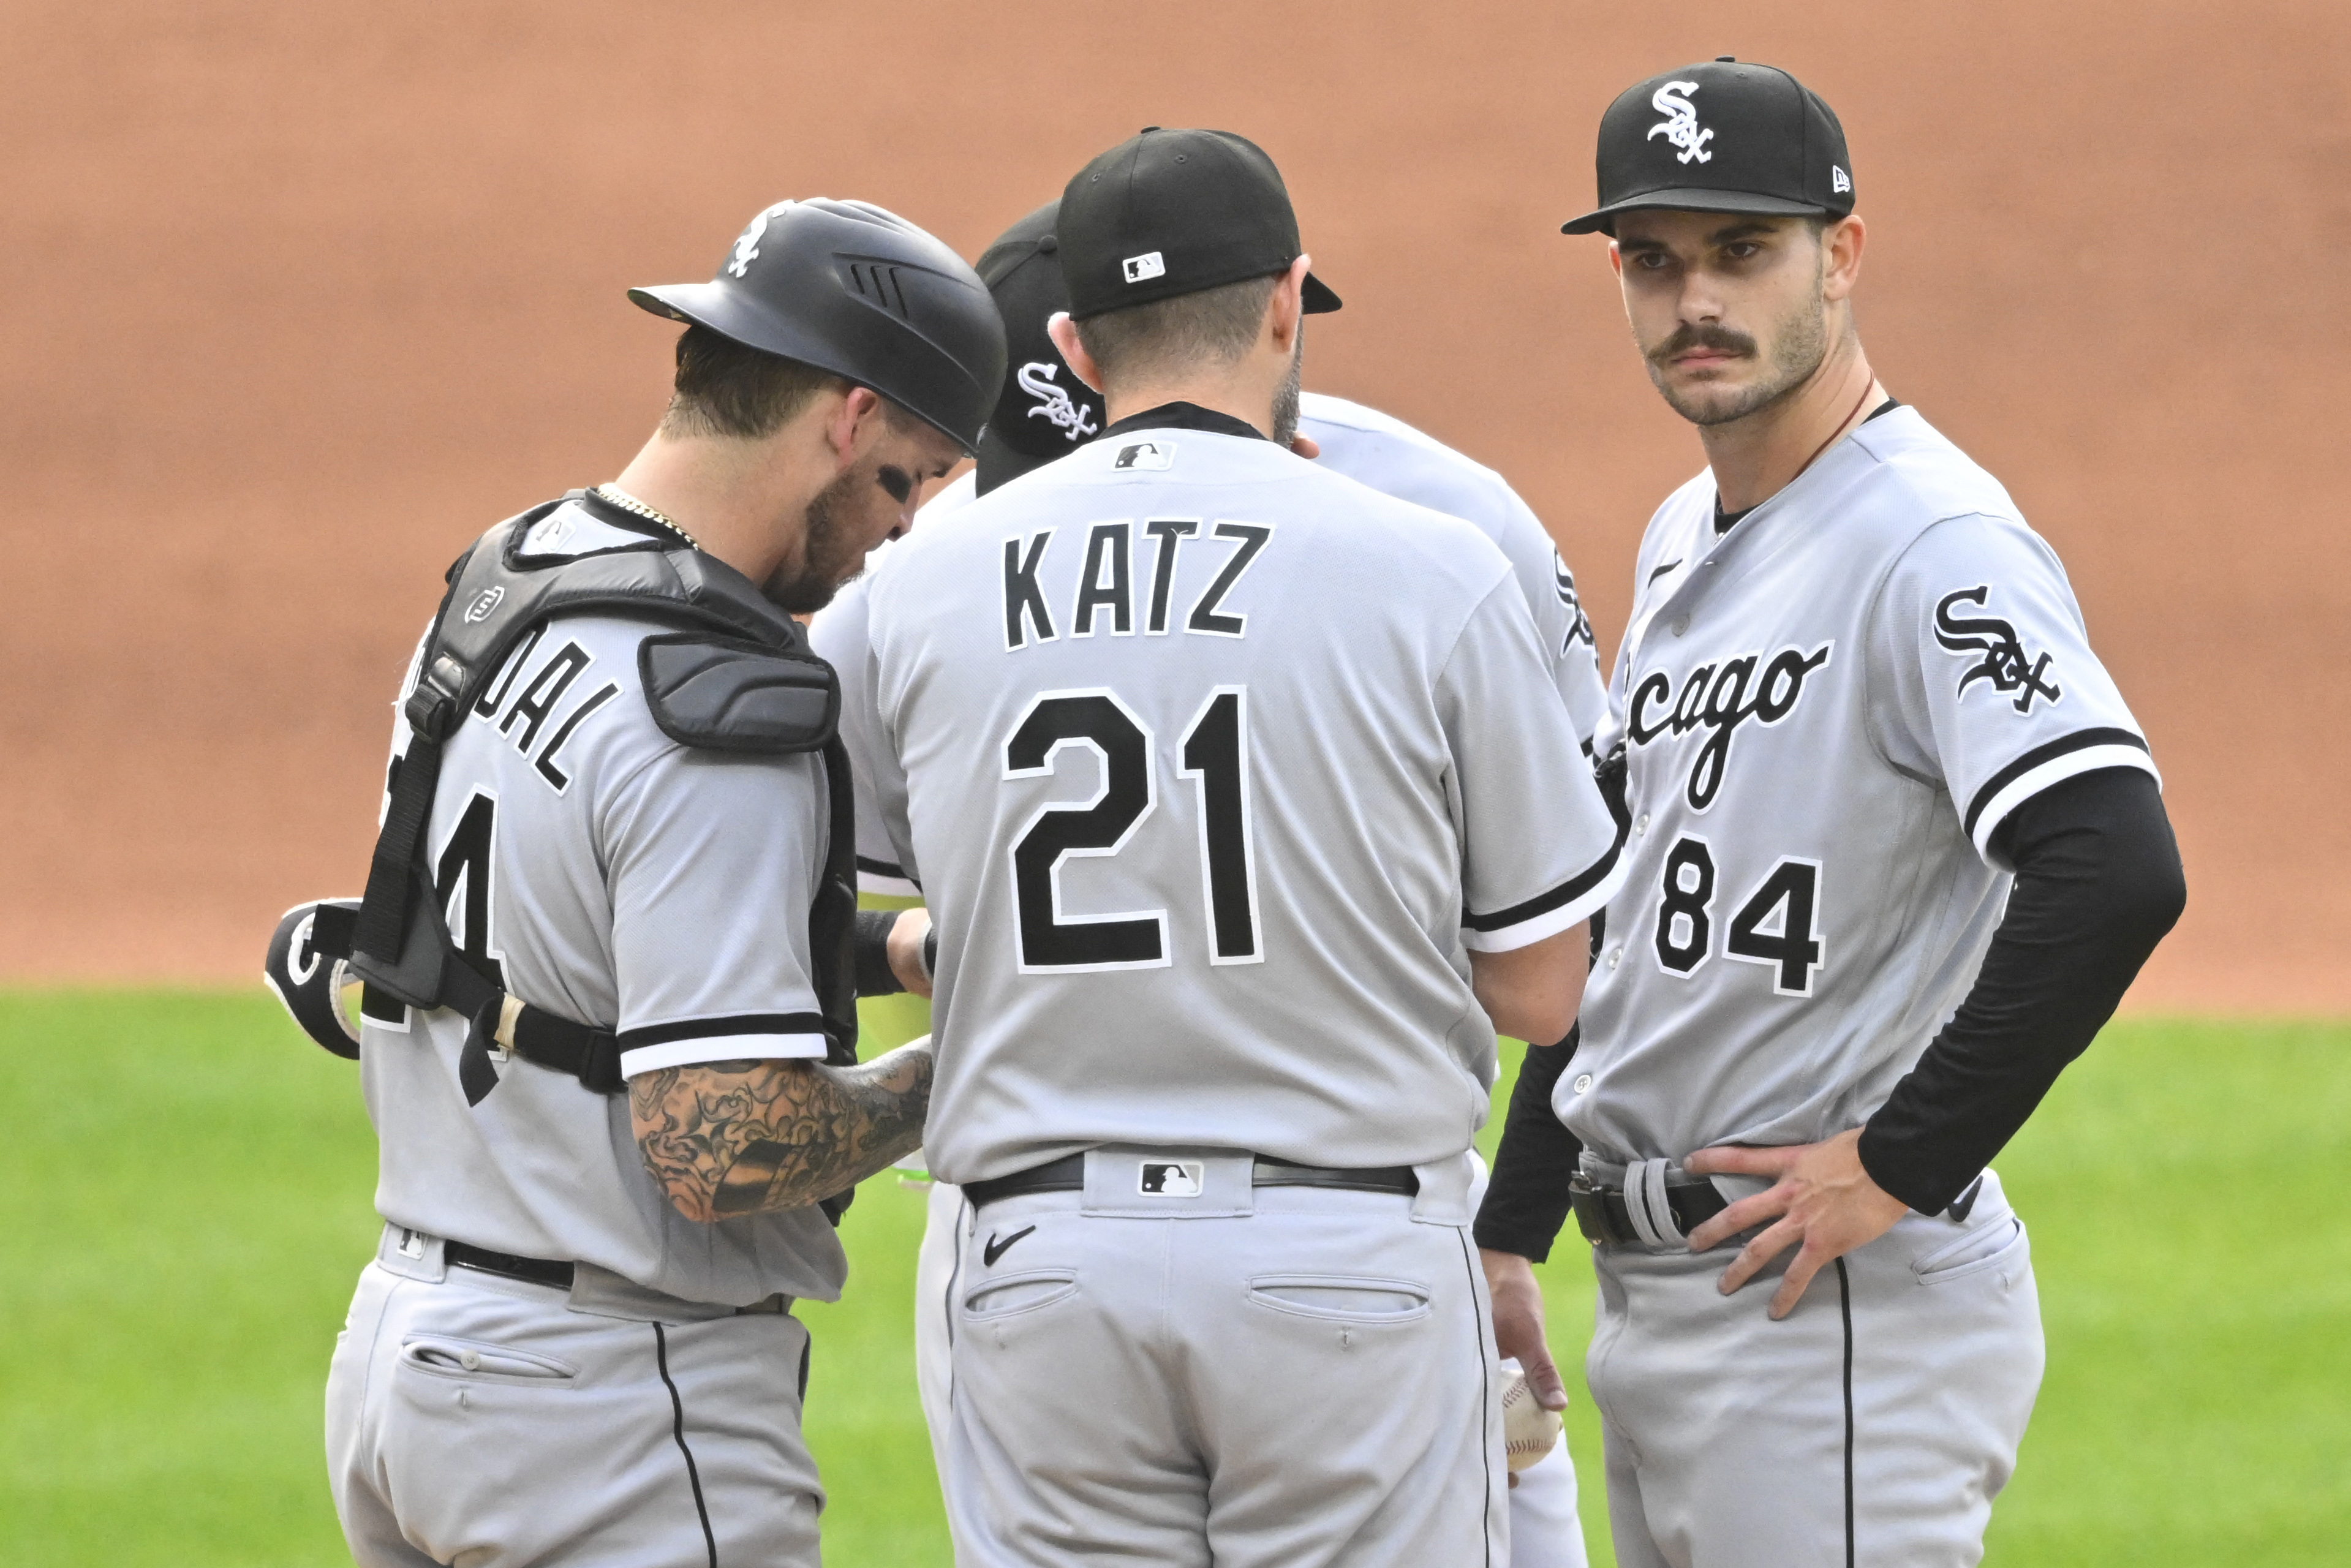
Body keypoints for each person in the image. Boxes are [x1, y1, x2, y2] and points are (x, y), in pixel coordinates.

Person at [848, 126, 1625, 1568]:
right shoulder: (1432, 557)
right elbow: (1545, 990)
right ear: (1287, 300)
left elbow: (779, 838)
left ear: (1075, 346)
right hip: (1340, 1259)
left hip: (1037, 1263)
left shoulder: (917, 580)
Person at [1475, 59, 2187, 1567]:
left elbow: (2112, 859)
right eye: (1653, 263)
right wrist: (1512, 1220)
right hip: (1673, 1306)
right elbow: (1617, 916)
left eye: (1742, 251)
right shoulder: (1684, 537)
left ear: (1840, 252)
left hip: (1826, 1318)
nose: (1694, 304)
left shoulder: (1930, 542)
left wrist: (1898, 1159)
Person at [268, 197, 1003, 1567]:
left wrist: (893, 946)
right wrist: (964, 1062)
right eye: (907, 478)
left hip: (404, 1366)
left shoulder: (510, 578)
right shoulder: (718, 700)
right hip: (606, 1411)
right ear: (846, 419)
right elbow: (717, 1144)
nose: (897, 533)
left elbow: (582, 917)